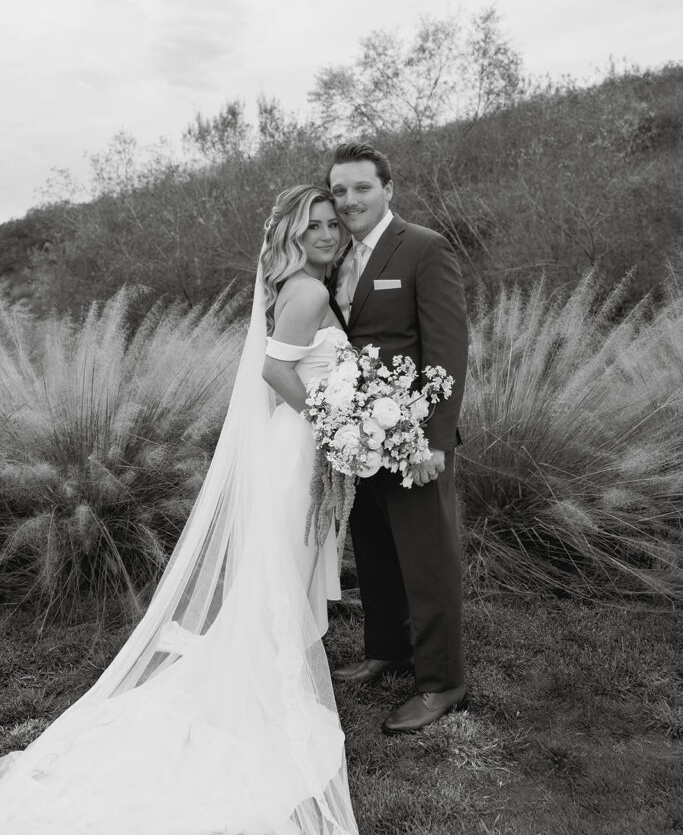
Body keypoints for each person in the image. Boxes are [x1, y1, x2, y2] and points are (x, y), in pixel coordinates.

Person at [0, 185, 359, 835]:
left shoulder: (299, 284)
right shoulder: (305, 291)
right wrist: (332, 423)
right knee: (280, 575)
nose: (328, 233)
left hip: (300, 447)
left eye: (334, 223)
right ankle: (268, 691)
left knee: (280, 572)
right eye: (316, 224)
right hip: (304, 445)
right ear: (295, 233)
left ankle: (268, 676)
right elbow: (275, 376)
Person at [327, 142, 469, 735]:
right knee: (378, 554)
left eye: (361, 188)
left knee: (426, 559)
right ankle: (387, 648)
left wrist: (435, 441)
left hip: (414, 440)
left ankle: (441, 682)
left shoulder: (424, 248)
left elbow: (447, 348)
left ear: (387, 188)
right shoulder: (335, 257)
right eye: (339, 191)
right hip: (361, 439)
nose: (350, 200)